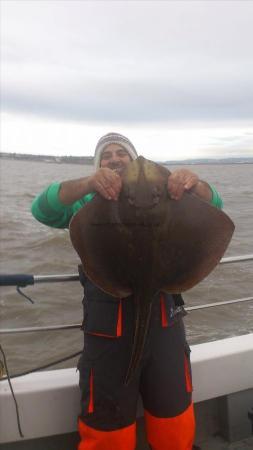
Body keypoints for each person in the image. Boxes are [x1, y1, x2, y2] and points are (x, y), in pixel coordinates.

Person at [31, 132, 223, 450]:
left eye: (122, 153)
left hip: (166, 326)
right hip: (109, 331)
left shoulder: (173, 196)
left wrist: (195, 184)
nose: (115, 158)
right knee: (108, 429)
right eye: (107, 155)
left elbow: (215, 206)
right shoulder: (87, 201)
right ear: (99, 165)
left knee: (174, 419)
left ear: (133, 161)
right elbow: (42, 210)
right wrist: (88, 184)